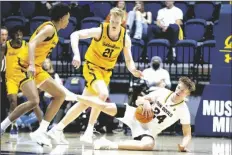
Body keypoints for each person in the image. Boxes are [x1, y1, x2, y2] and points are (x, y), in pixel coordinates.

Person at [47, 7, 143, 144]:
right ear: (110, 19)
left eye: (117, 22)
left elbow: (128, 59)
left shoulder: (124, 38)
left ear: (122, 22)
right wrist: (76, 54)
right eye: (113, 21)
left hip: (106, 72)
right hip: (92, 67)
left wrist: (133, 70)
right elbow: (75, 35)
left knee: (84, 103)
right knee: (103, 94)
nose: (114, 24)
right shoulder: (100, 31)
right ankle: (89, 131)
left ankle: (57, 129)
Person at [0, 3, 70, 147]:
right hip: (24, 66)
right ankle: (2, 127)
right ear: (62, 18)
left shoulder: (54, 30)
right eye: (67, 18)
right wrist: (31, 64)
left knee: (60, 95)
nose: (68, 22)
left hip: (37, 68)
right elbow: (31, 44)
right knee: (34, 101)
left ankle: (42, 130)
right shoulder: (49, 28)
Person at [62, 77, 194, 152]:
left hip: (147, 131)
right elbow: (138, 100)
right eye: (178, 88)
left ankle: (108, 144)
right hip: (134, 115)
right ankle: (75, 97)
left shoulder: (183, 110)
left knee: (148, 145)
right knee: (103, 106)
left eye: (182, 91)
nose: (178, 91)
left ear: (187, 94)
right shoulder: (163, 92)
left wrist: (184, 144)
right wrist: (145, 102)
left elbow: (187, 133)